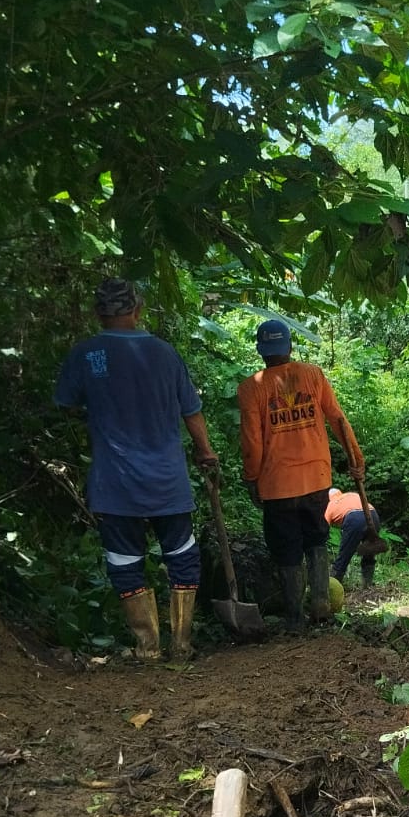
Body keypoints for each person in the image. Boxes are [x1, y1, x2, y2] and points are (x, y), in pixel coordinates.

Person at [54, 278, 218, 662]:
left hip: (115, 482)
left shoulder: (86, 354)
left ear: (97, 313)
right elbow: (191, 412)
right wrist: (206, 452)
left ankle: (148, 648)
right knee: (181, 554)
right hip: (167, 480)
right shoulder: (164, 353)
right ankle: (182, 643)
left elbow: (66, 404)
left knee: (124, 560)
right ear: (138, 310)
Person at [237, 320, 365, 628]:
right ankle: (321, 605)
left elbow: (252, 441)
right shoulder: (313, 375)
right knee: (316, 539)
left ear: (261, 350)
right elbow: (337, 418)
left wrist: (252, 477)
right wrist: (356, 458)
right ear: (290, 346)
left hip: (277, 485)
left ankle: (295, 618)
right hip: (316, 480)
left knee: (286, 547)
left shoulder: (251, 388)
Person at [324, 488, 380, 590]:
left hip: (354, 518)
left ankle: (333, 587)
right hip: (373, 514)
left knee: (344, 556)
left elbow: (323, 528)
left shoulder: (331, 504)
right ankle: (367, 586)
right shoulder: (352, 495)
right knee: (369, 553)